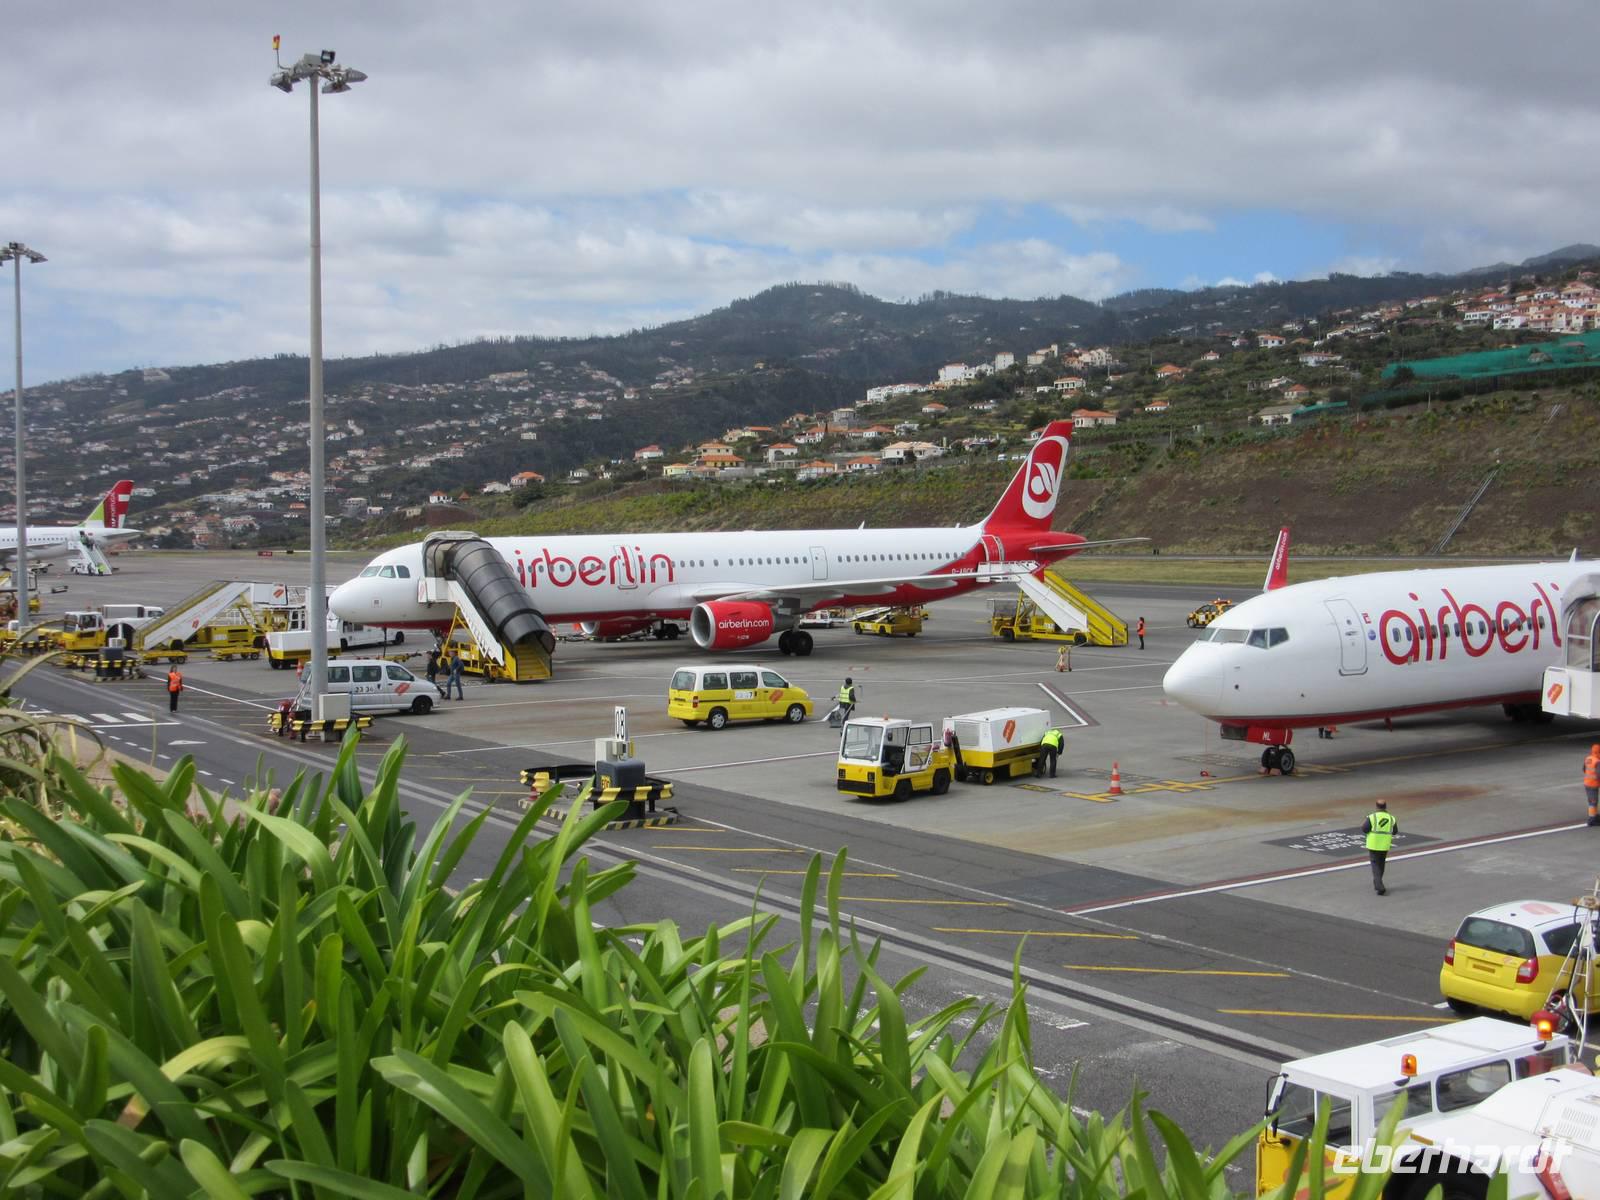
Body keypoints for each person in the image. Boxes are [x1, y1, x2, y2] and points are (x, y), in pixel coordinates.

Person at [1362, 799, 1397, 895]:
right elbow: (1395, 831)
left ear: (1376, 807)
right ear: (1385, 807)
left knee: (1375, 864)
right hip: (1385, 844)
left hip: (1374, 844)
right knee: (1381, 864)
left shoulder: (1372, 817)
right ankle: (1378, 883)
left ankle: (1379, 885)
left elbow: (1365, 829)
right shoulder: (1391, 818)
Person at [1585, 743, 1600, 826]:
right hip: (1593, 784)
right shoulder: (1597, 761)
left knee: (1592, 801)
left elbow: (1584, 769)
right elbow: (1599, 774)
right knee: (1593, 802)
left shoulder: (1588, 758)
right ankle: (1591, 820)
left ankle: (1595, 816)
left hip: (1587, 783)